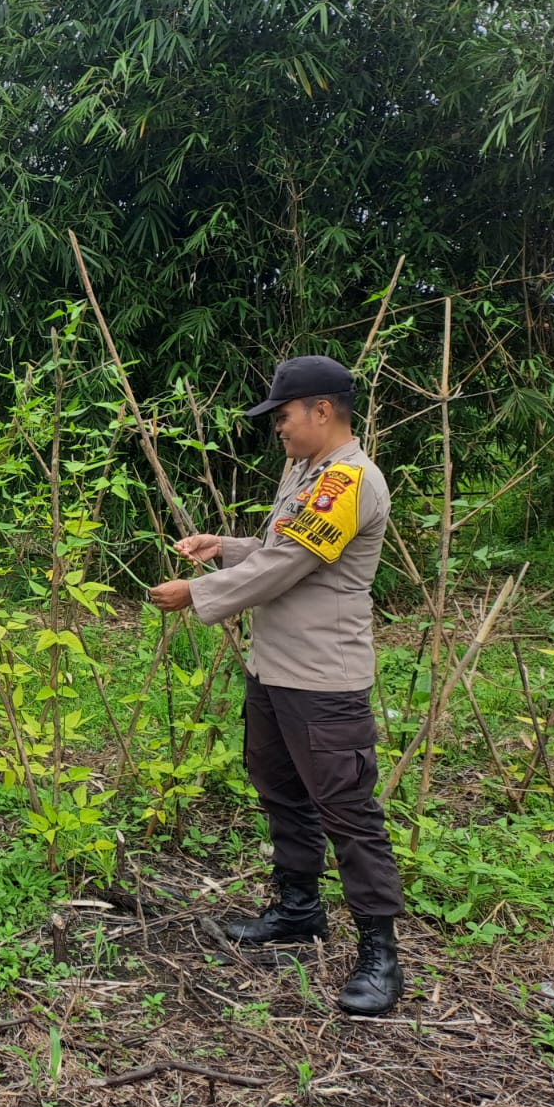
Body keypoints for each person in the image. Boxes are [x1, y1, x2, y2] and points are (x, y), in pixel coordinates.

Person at [148, 354, 404, 1016]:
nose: (278, 430)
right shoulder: (305, 471)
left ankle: (381, 953)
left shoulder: (347, 481)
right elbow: (278, 549)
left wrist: (198, 593)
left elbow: (290, 564)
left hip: (323, 680)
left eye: (284, 416)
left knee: (348, 812)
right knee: (282, 792)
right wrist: (224, 549)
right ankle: (299, 911)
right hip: (275, 670)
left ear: (323, 411)